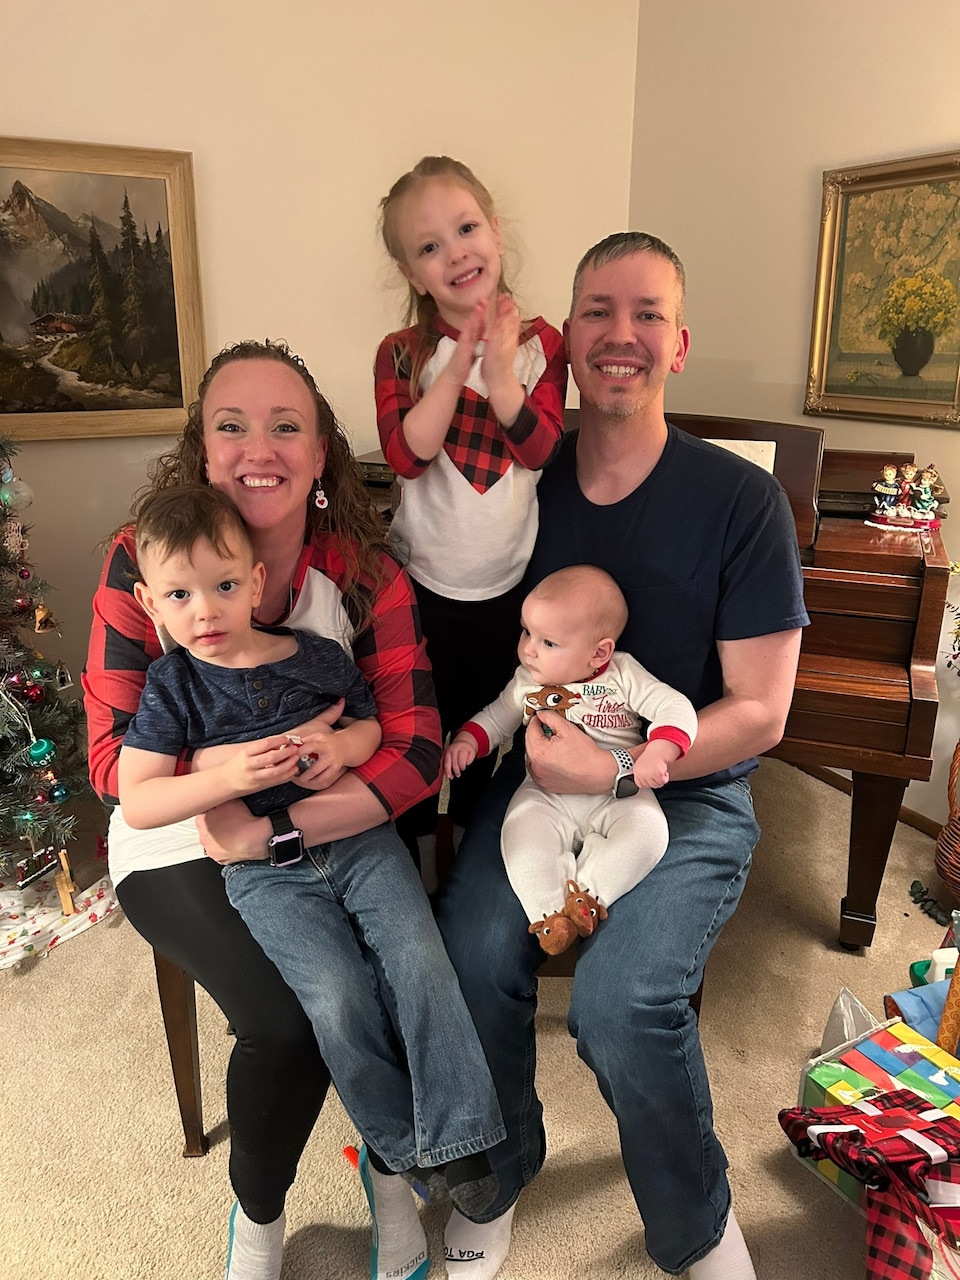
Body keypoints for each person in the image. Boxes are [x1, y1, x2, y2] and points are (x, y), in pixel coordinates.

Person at [436, 233, 808, 1280]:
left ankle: (694, 1224)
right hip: (536, 786)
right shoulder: (519, 487)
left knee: (621, 1000)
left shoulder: (740, 502)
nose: (620, 334)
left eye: (646, 314)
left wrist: (617, 773)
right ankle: (501, 1170)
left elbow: (762, 710)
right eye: (597, 310)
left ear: (678, 343)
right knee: (467, 953)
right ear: (566, 341)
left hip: (685, 794)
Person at [82, 340, 463, 1280]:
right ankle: (258, 1221)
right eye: (232, 425)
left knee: (397, 972)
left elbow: (415, 744)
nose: (261, 447)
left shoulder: (365, 574)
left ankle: (389, 1179)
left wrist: (285, 819)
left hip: (327, 819)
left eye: (287, 425)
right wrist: (229, 774)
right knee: (290, 1019)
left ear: (322, 450)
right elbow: (108, 764)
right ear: (202, 453)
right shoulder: (143, 561)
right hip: (178, 834)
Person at [117, 484, 503, 1231]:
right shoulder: (173, 686)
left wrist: (340, 747)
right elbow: (138, 799)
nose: (205, 612)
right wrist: (225, 776)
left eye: (225, 586)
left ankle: (465, 1140)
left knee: (421, 960)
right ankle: (402, 1148)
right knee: (336, 996)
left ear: (256, 583)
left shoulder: (318, 656)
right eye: (180, 594)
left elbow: (369, 731)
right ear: (149, 603)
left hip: (359, 843)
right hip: (264, 876)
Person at [375, 155, 567, 890]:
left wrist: (505, 377)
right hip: (421, 588)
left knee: (489, 739)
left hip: (507, 593)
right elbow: (408, 454)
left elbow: (542, 447)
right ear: (412, 272)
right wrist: (460, 366)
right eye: (429, 247)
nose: (455, 252)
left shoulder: (544, 343)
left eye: (466, 228)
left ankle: (478, 873)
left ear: (496, 230)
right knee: (420, 738)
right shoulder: (402, 354)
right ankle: (416, 869)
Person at [443, 564, 697, 954]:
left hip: (618, 791)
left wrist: (660, 749)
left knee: (649, 834)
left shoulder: (623, 675)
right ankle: (547, 915)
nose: (528, 648)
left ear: (599, 652)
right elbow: (498, 716)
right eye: (527, 631)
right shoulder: (528, 682)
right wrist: (468, 740)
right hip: (546, 791)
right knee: (520, 832)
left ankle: (590, 897)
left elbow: (674, 706)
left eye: (548, 642)